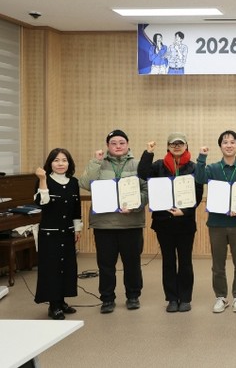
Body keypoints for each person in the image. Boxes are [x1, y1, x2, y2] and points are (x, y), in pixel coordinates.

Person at [79, 129, 148, 314]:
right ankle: (107, 299)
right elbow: (85, 184)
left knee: (132, 263)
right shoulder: (98, 164)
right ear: (107, 146)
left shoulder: (138, 164)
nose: (118, 146)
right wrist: (95, 162)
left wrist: (135, 205)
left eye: (121, 143)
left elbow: (147, 190)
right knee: (106, 265)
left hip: (131, 223)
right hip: (104, 224)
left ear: (128, 145)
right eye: (113, 143)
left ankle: (133, 296)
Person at [137, 133, 203, 313]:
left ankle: (186, 298)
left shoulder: (193, 167)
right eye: (173, 144)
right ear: (168, 146)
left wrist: (185, 211)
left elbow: (198, 193)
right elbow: (142, 174)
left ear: (186, 146)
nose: (176, 146)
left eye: (180, 143)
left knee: (185, 261)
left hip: (185, 223)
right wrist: (148, 153)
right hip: (163, 222)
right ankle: (172, 299)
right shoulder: (159, 165)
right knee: (168, 261)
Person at [195, 130, 236, 314]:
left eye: (232, 142)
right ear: (220, 146)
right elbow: (199, 178)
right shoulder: (212, 168)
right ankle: (221, 297)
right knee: (217, 264)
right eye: (225, 142)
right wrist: (201, 157)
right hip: (217, 224)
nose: (229, 145)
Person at [34, 148, 83, 320]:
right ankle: (53, 305)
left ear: (69, 163)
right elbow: (42, 203)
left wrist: (77, 228)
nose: (60, 163)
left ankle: (61, 301)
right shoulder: (43, 180)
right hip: (50, 234)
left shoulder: (73, 182)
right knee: (52, 268)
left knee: (67, 267)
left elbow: (76, 208)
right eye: (56, 160)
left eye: (64, 160)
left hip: (67, 232)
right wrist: (42, 180)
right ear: (50, 163)